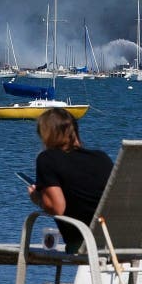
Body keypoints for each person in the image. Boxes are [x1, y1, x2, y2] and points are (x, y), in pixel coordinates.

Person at [27, 108, 113, 253]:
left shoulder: (47, 159)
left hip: (83, 242)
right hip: (115, 241)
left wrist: (38, 199)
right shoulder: (101, 158)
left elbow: (57, 208)